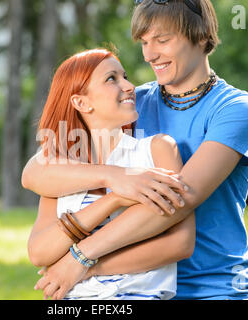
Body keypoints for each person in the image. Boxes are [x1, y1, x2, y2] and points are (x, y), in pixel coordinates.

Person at [23, 0, 248, 300]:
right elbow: (36, 171)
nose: (150, 54)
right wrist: (116, 177)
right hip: (136, 284)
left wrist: (82, 260)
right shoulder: (130, 104)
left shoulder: (237, 110)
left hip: (209, 287)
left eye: (162, 40)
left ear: (201, 35)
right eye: (144, 42)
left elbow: (179, 200)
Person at [27, 48, 195, 300]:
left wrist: (84, 265)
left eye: (125, 76)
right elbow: (39, 253)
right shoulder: (62, 170)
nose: (129, 86)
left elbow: (180, 244)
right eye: (111, 79)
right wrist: (113, 198)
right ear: (81, 102)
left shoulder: (157, 149)